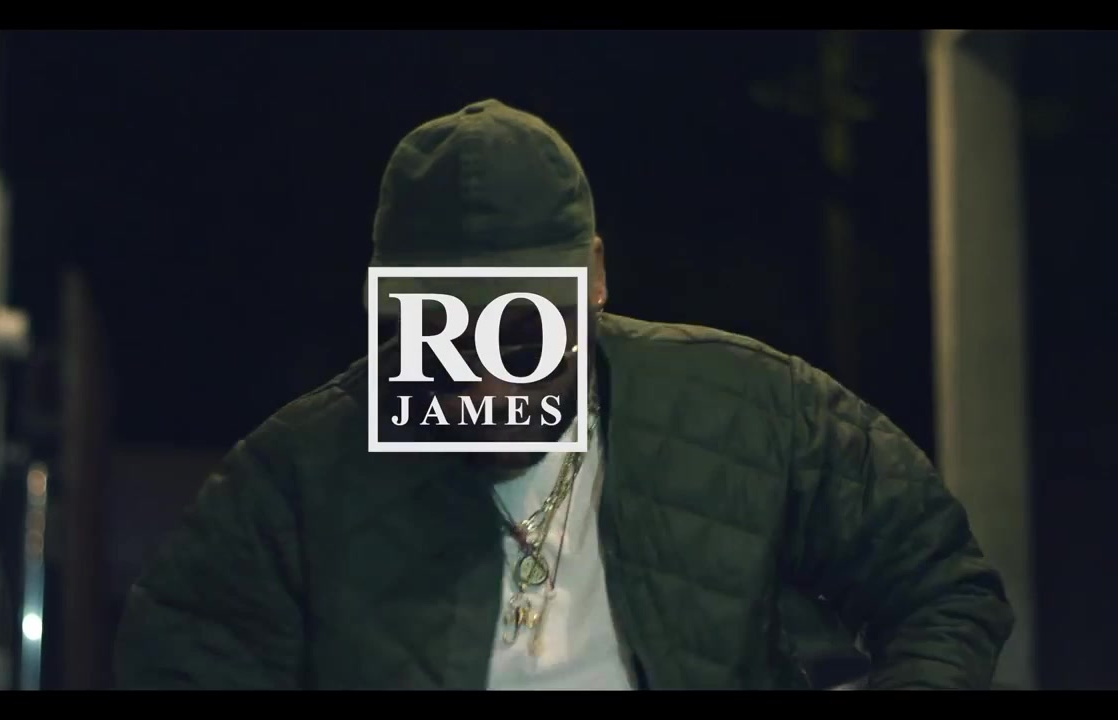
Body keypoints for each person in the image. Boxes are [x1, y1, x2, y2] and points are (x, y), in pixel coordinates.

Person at [114, 98, 1014, 690]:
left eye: (520, 335)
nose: (483, 379)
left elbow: (941, 586)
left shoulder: (749, 408)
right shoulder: (295, 477)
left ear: (594, 280)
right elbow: (181, 661)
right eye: (438, 334)